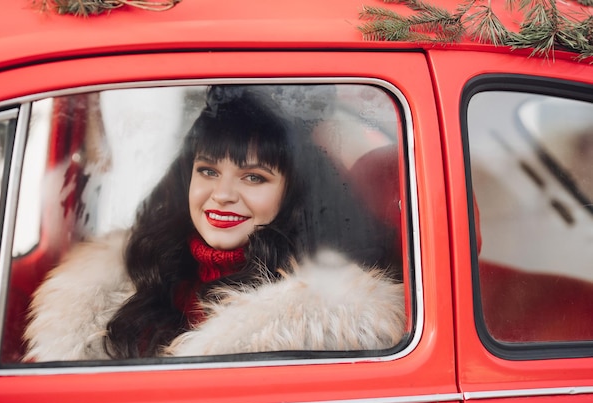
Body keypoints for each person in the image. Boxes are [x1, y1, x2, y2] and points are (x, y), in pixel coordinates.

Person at [23, 85, 406, 362]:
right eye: (207, 170)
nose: (222, 194)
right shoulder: (149, 272)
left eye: (254, 177)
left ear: (292, 195)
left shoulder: (311, 319)